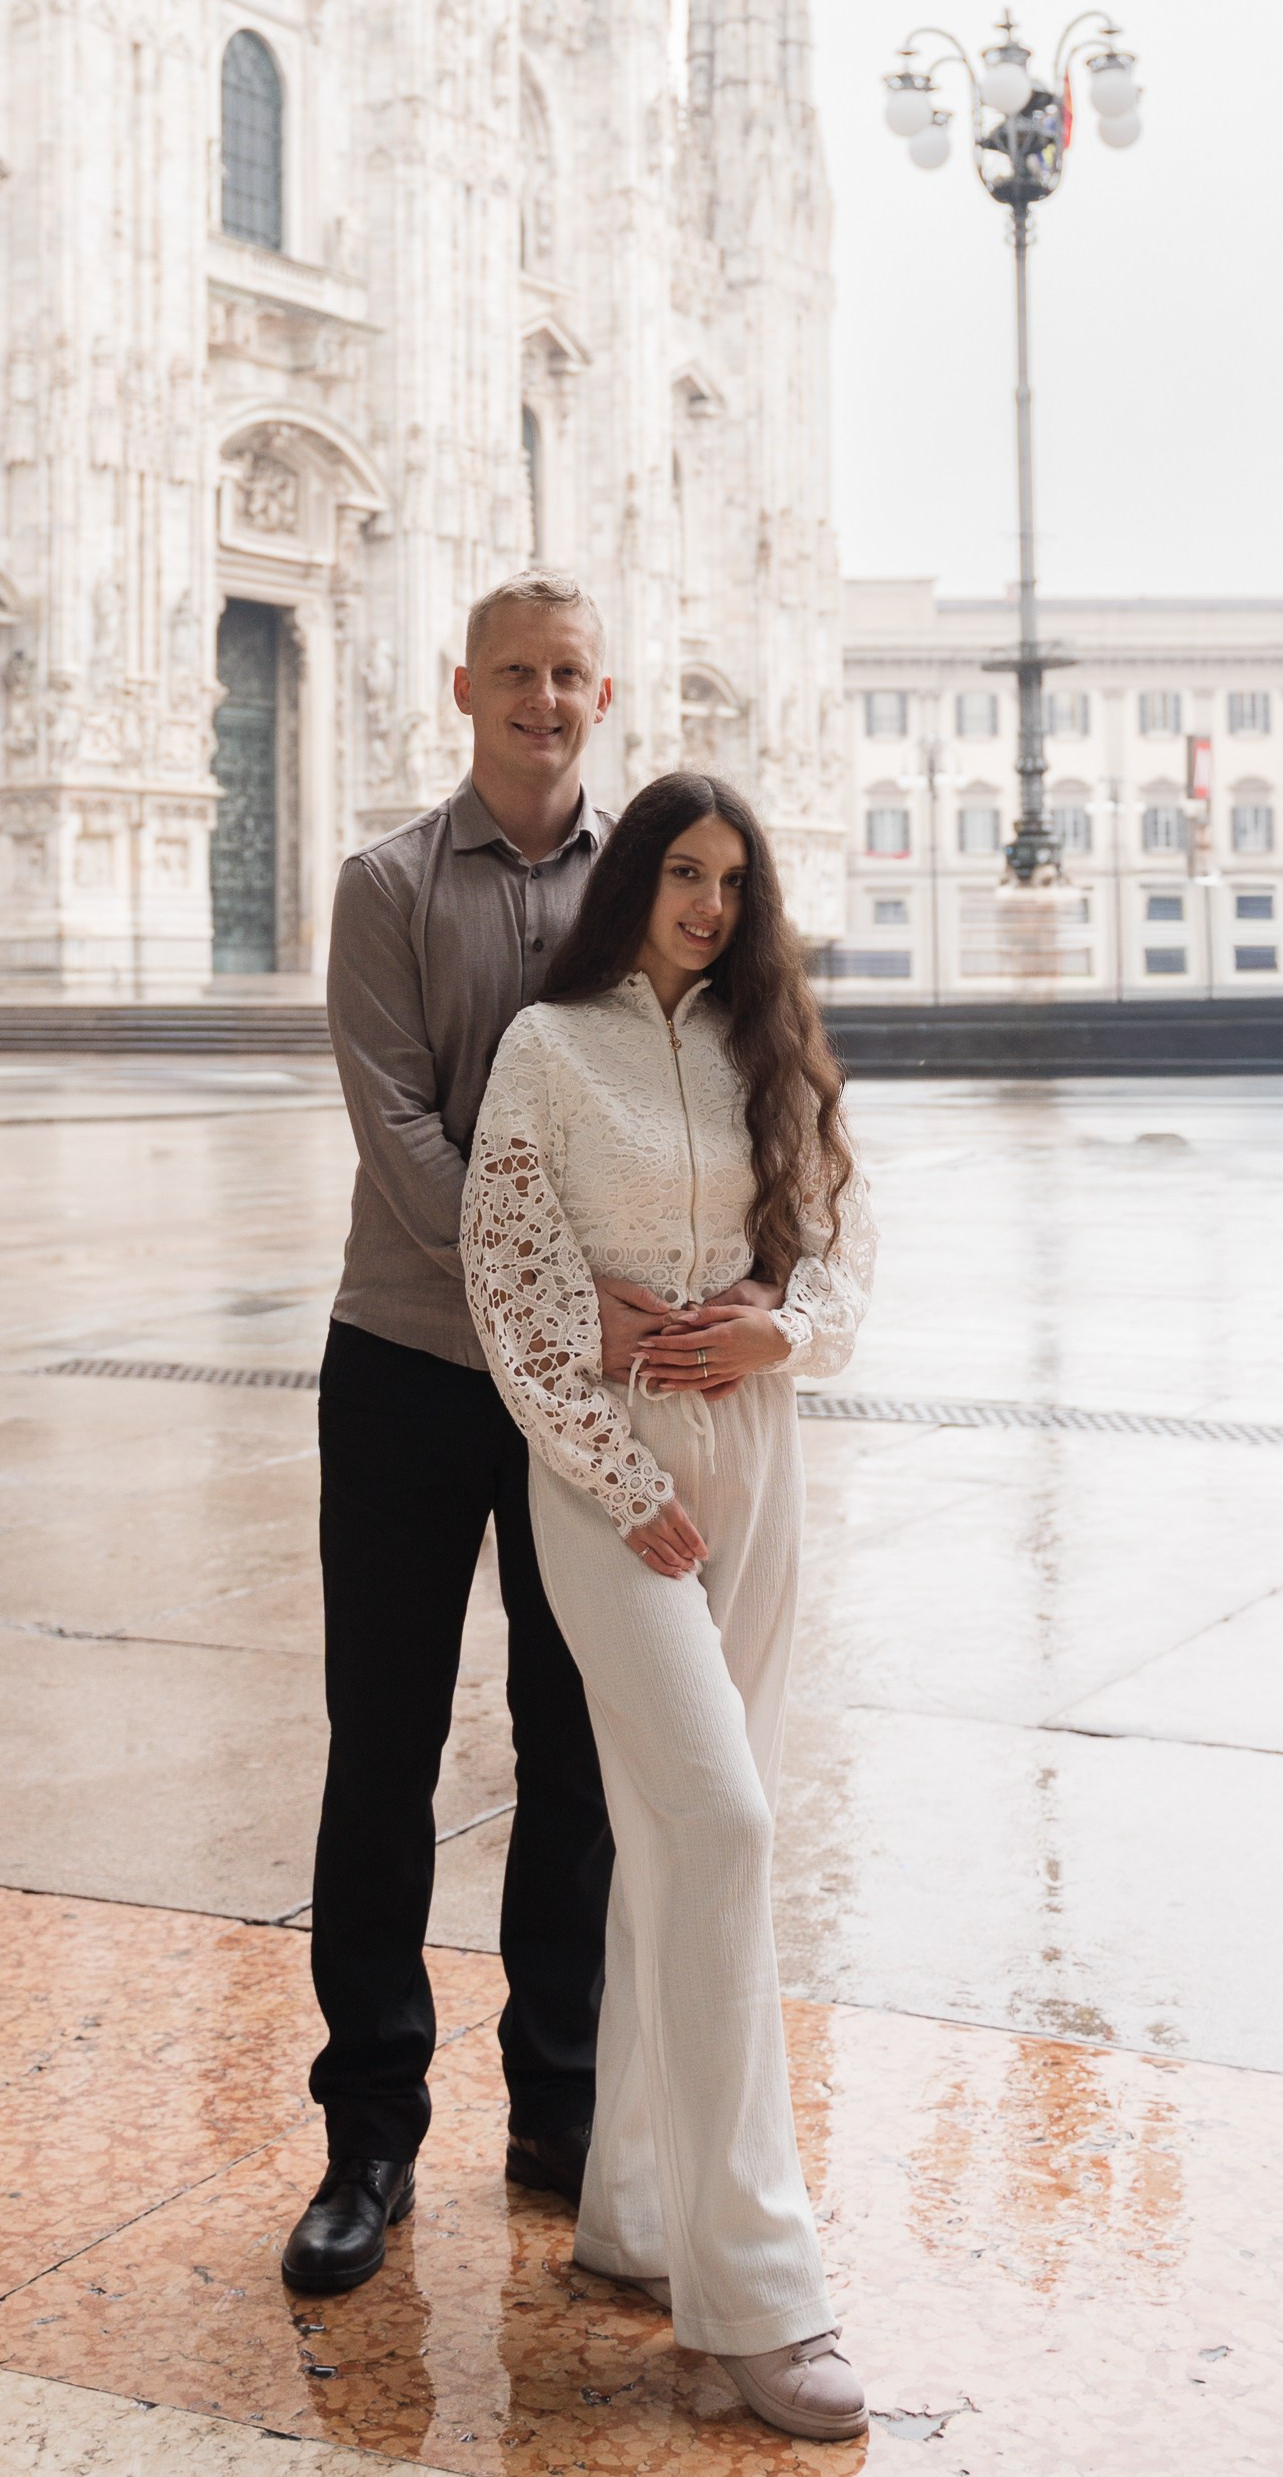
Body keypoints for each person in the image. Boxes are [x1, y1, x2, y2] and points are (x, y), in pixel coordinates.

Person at [282, 575, 778, 2297]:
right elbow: (402, 1127)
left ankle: (559, 2106)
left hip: (600, 1400)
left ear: (602, 690)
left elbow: (726, 1093)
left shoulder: (649, 883)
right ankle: (369, 2136)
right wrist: (566, 1297)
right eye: (516, 673)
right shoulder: (383, 887)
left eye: (570, 674)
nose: (544, 699)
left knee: (577, 1753)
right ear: (464, 688)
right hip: (414, 1366)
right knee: (385, 1749)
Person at [460, 772, 877, 2442]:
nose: (708, 902)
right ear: (630, 878)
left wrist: (790, 1331)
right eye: (681, 872)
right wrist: (627, 1476)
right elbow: (508, 1277)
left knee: (677, 1839)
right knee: (722, 1820)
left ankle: (633, 2207)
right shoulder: (549, 1051)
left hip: (762, 1460)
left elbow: (845, 1242)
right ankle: (757, 2295)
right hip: (612, 1480)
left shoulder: (772, 1049)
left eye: (732, 878)